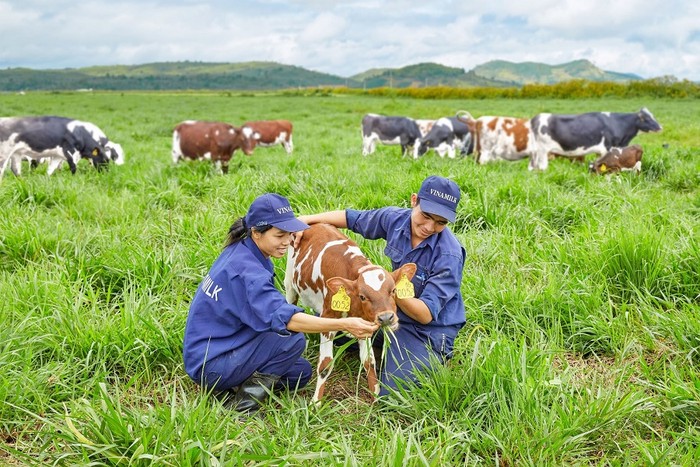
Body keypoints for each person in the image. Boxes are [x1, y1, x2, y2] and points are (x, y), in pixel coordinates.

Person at [183, 193, 379, 413]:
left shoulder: (243, 250)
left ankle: (236, 383)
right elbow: (288, 319)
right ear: (256, 233)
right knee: (292, 341)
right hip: (211, 362)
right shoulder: (247, 273)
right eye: (279, 235)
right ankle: (240, 407)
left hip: (222, 343)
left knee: (300, 373)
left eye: (289, 233)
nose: (288, 242)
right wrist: (344, 324)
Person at [295, 175, 466, 395]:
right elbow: (352, 218)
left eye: (441, 222)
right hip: (387, 307)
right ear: (414, 200)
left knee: (395, 393)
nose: (429, 227)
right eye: (425, 216)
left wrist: (388, 289)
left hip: (428, 328)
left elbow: (425, 315)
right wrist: (306, 219)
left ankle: (433, 355)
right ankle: (383, 342)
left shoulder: (449, 254)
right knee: (338, 330)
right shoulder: (396, 219)